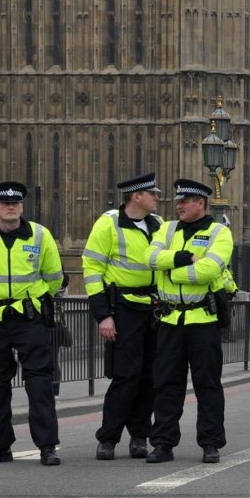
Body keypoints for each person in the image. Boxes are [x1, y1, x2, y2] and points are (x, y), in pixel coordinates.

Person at [0, 181, 64, 466]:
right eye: (5, 203)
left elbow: (54, 277)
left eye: (15, 203)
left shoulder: (40, 235)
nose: (10, 207)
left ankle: (47, 446)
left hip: (29, 318)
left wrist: (35, 301)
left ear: (22, 207)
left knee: (39, 382)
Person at [143, 179, 233, 464]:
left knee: (207, 384)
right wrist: (184, 257)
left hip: (202, 319)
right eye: (177, 201)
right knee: (167, 384)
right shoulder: (166, 229)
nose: (178, 205)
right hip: (170, 319)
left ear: (201, 203)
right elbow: (151, 258)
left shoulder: (219, 232)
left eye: (185, 201)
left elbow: (209, 270)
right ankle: (163, 443)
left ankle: (210, 443)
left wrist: (173, 272)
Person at [83, 172, 162, 460]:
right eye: (153, 193)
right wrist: (103, 315)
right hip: (124, 308)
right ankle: (108, 438)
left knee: (149, 377)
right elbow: (92, 270)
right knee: (125, 376)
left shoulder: (159, 225)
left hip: (154, 307)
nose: (158, 197)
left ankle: (139, 437)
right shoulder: (109, 224)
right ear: (136, 196)